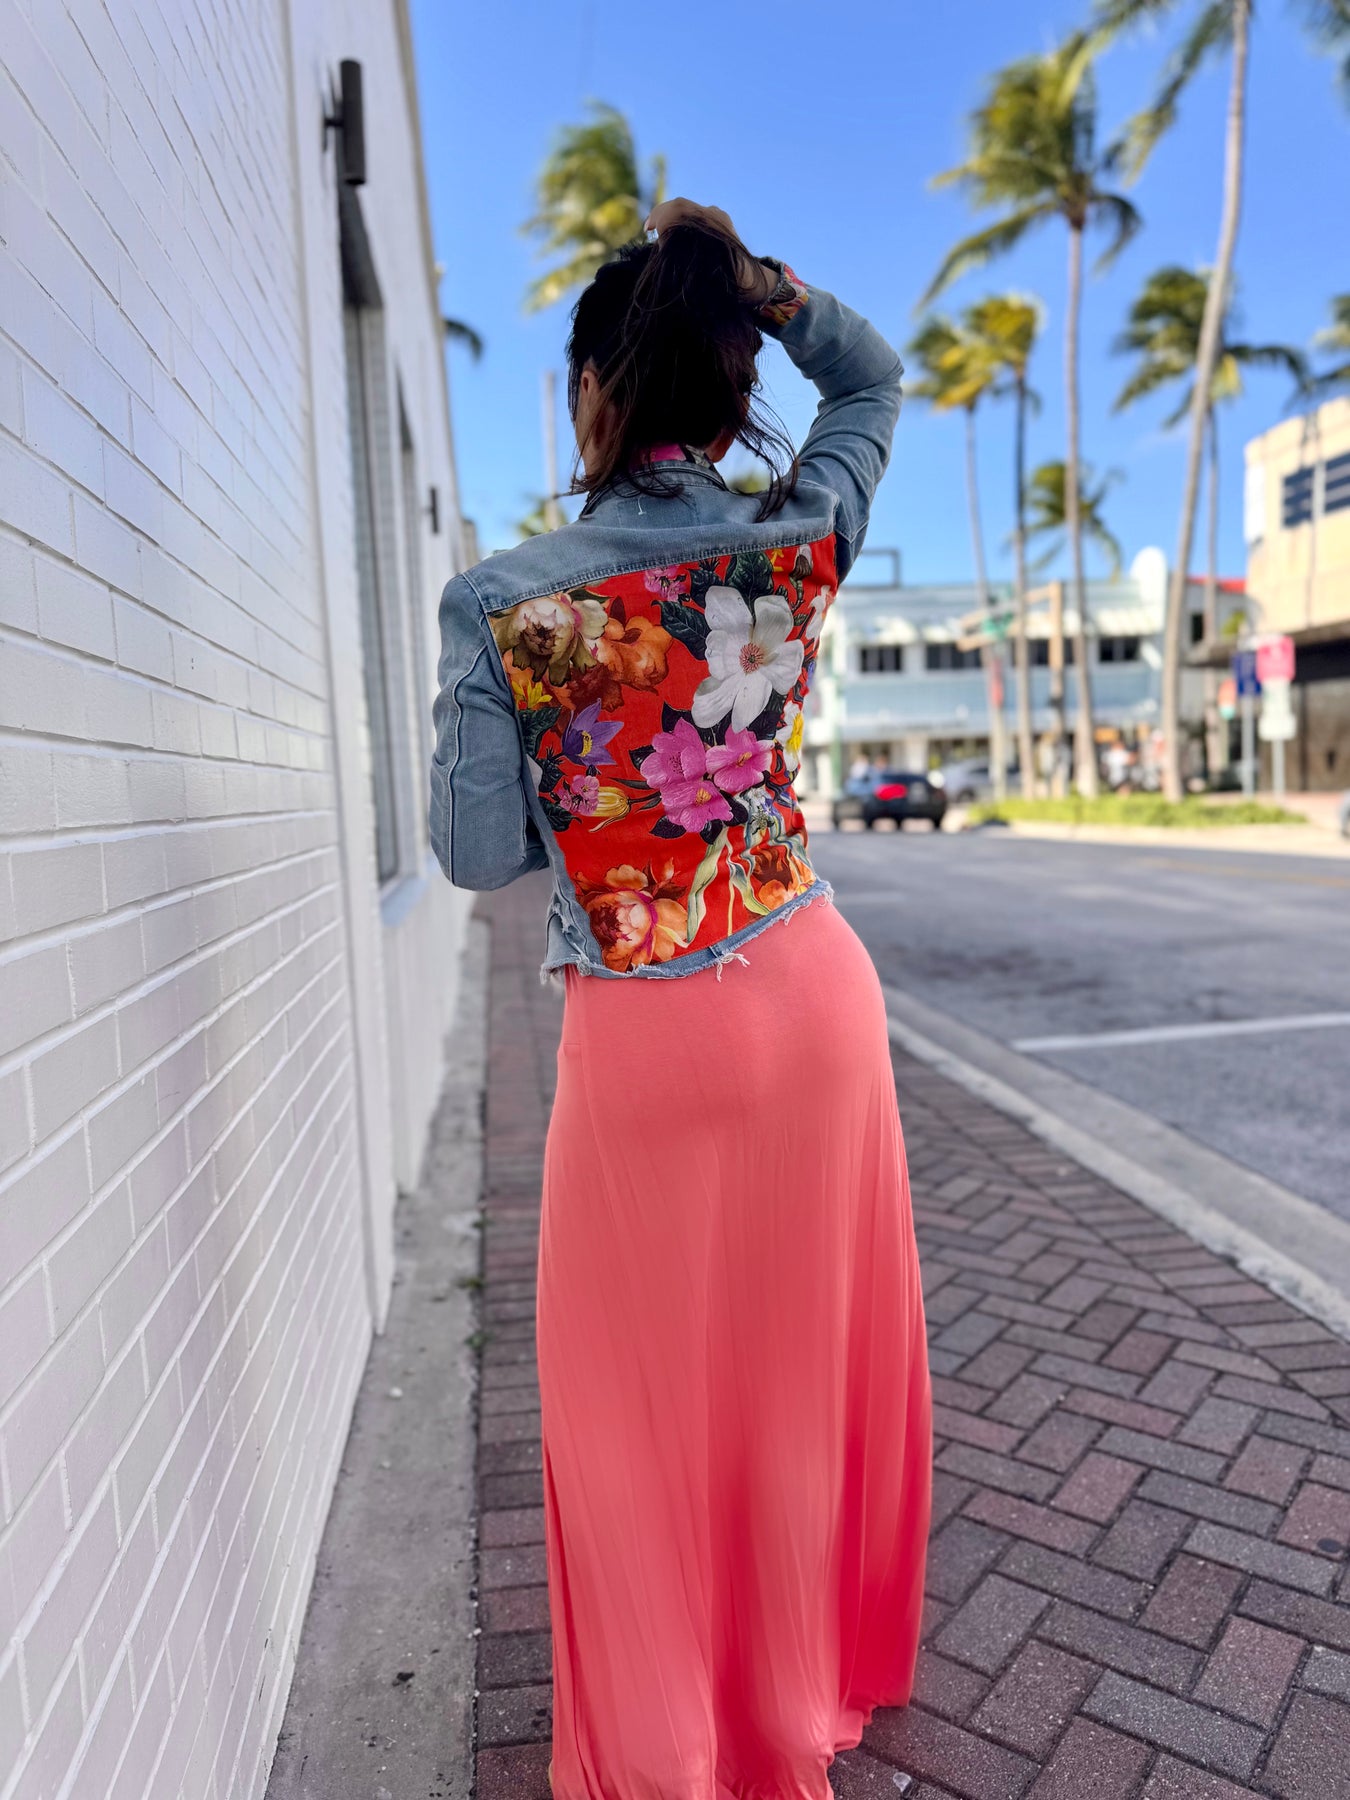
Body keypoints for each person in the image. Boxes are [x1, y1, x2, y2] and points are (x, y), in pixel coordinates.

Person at [430, 198, 930, 1799]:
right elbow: (871, 379)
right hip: (813, 990)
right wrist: (764, 287)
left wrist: (563, 759)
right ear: (728, 392)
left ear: (590, 390)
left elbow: (475, 856)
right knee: (792, 1376)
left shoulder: (503, 601)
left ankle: (670, 1748)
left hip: (647, 1022)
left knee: (630, 1411)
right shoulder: (791, 546)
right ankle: (797, 1698)